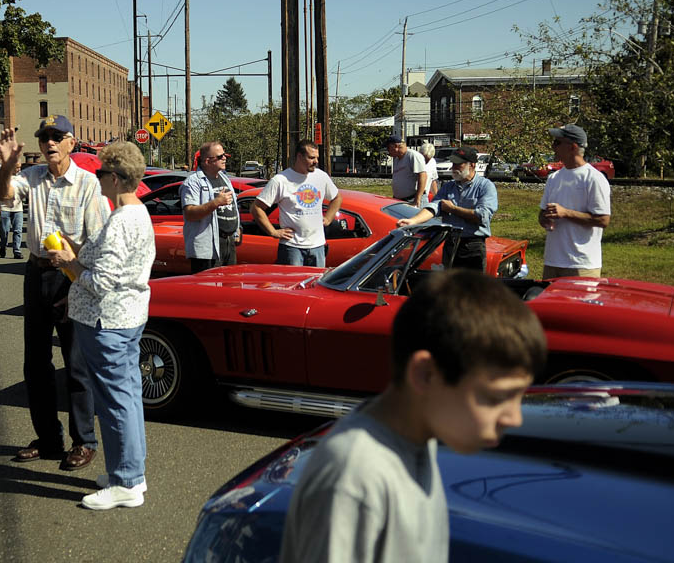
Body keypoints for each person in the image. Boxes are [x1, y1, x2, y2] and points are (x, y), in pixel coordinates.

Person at [279, 270, 547, 563]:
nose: (514, 418)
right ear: (425, 374)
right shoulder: (355, 475)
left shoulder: (421, 437)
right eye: (497, 398)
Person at [0, 116, 109, 471]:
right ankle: (47, 438)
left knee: (76, 364)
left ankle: (83, 440)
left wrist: (76, 279)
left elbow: (97, 240)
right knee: (36, 363)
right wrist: (8, 163)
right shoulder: (31, 177)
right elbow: (3, 193)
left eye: (57, 137)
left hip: (71, 276)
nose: (50, 143)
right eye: (45, 137)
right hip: (37, 272)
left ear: (72, 142)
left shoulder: (89, 184)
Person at [45, 141, 155, 510]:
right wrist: (76, 252)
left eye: (101, 173)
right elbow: (104, 263)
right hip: (126, 316)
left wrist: (68, 262)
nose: (98, 178)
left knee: (113, 402)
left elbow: (100, 280)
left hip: (107, 319)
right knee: (126, 398)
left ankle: (125, 480)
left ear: (117, 178)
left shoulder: (122, 220)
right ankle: (131, 474)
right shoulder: (136, 214)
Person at [396, 146, 498, 272]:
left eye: (458, 164)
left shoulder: (485, 186)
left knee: (472, 288)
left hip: (472, 246)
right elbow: (434, 207)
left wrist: (453, 209)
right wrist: (413, 221)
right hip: (450, 244)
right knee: (449, 287)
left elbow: (482, 216)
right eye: (453, 164)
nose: (453, 168)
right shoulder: (448, 187)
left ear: (472, 165)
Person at [252, 139, 343, 267]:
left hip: (317, 247)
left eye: (316, 158)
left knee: (315, 285)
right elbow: (256, 208)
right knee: (292, 285)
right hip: (292, 248)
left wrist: (328, 218)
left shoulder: (321, 177)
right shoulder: (280, 180)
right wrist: (273, 232)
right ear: (299, 156)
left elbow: (337, 198)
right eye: (311, 158)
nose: (316, 162)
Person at [539, 124, 611, 278]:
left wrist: (565, 213)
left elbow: (603, 219)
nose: (553, 147)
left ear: (572, 147)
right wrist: (545, 219)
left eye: (557, 142)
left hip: (581, 265)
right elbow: (541, 215)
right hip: (552, 262)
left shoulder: (594, 179)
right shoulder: (553, 178)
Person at [179, 141, 242, 273]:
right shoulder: (193, 183)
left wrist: (237, 228)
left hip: (228, 243)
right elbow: (190, 213)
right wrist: (216, 202)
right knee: (209, 289)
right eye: (220, 157)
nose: (224, 158)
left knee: (231, 287)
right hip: (208, 248)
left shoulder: (225, 178)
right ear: (207, 161)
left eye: (224, 155)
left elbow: (233, 205)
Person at [386, 135, 428, 207]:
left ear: (396, 146)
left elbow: (423, 176)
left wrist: (418, 198)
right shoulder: (396, 159)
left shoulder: (412, 155)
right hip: (400, 200)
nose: (388, 152)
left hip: (412, 200)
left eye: (388, 148)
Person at [0, 162, 25, 259]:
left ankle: (16, 251)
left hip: (18, 209)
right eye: (17, 167)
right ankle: (3, 245)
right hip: (5, 208)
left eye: (20, 167)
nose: (19, 169)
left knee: (18, 230)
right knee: (4, 231)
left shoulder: (22, 177)